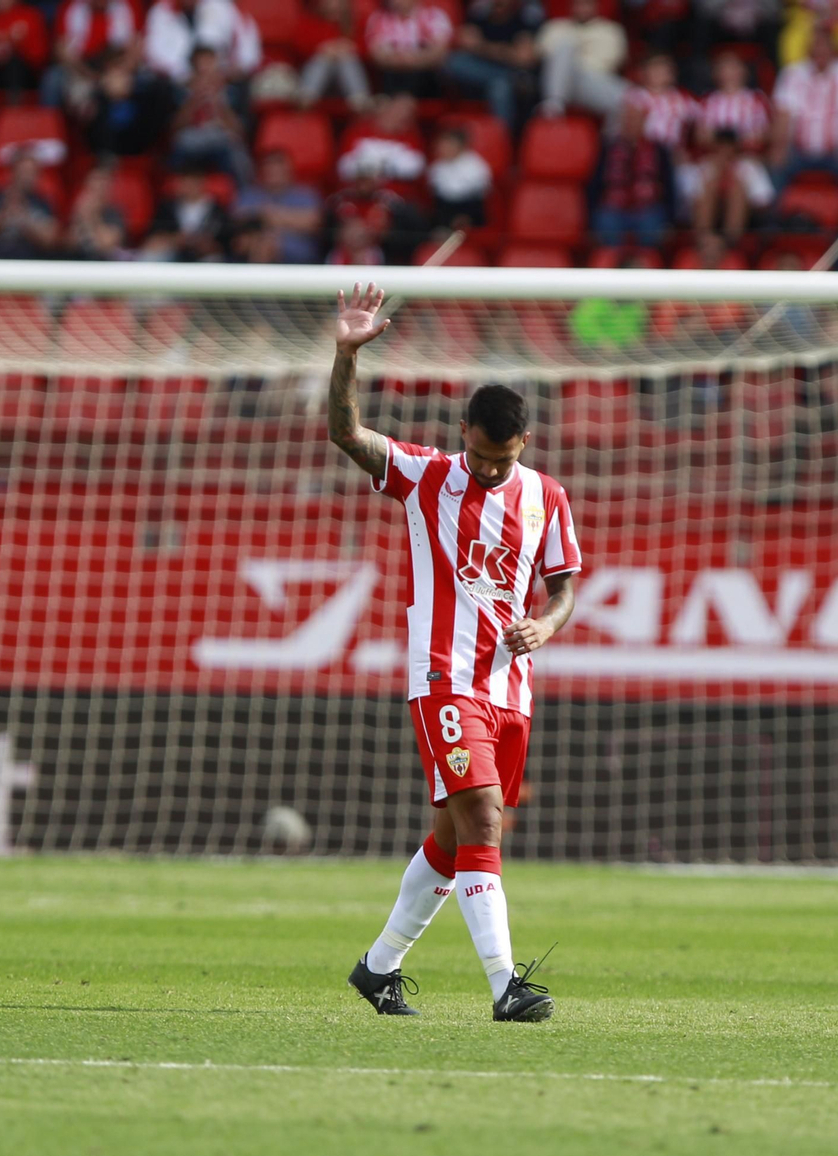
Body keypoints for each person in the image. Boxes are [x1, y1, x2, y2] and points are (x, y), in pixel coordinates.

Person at [331, 283, 581, 1021]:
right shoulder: (427, 475)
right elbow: (347, 433)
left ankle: (378, 970)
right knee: (483, 823)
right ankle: (505, 985)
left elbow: (564, 585)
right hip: (443, 677)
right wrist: (346, 356)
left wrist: (547, 624)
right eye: (481, 454)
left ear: (522, 446)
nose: (492, 470)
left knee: (450, 839)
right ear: (462, 432)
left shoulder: (546, 497)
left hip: (510, 688)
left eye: (503, 460)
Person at [770, 25, 838, 206]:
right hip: (798, 150)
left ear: (835, 49)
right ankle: (773, 227)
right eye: (816, 45)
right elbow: (783, 114)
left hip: (837, 151)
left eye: (825, 45)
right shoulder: (792, 73)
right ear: (808, 48)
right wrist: (780, 145)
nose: (820, 50)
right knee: (775, 162)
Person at [588, 98, 676, 249]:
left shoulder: (658, 150)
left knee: (651, 227)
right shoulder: (608, 148)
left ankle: (644, 266)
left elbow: (669, 185)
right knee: (606, 223)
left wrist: (670, 220)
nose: (631, 124)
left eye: (635, 120)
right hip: (614, 207)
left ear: (644, 122)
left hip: (647, 208)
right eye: (627, 120)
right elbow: (595, 183)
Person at [445, 0, 542, 129]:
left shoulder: (526, 15)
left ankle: (502, 140)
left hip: (514, 75)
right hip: (482, 71)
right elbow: (465, 41)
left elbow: (524, 59)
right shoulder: (479, 11)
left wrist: (482, 47)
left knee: (500, 88)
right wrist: (506, 51)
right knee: (453, 62)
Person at [169, 45, 254, 182]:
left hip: (221, 138)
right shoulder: (180, 91)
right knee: (180, 146)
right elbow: (175, 129)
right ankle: (179, 195)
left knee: (237, 151)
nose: (206, 70)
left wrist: (219, 102)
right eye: (201, 66)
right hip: (191, 138)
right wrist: (194, 100)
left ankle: (243, 195)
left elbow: (240, 131)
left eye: (210, 64)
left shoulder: (233, 92)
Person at [43, 0, 142, 110]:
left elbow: (137, 47)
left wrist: (121, 70)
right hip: (80, 68)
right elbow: (61, 50)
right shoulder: (70, 7)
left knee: (140, 81)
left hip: (116, 66)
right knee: (54, 79)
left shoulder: (128, 5)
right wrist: (88, 74)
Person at [536, 0, 627, 118]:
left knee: (632, 97)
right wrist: (582, 49)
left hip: (595, 82)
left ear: (596, 6)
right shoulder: (555, 27)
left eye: (587, 4)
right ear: (571, 6)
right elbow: (543, 55)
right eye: (579, 4)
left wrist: (577, 53)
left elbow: (614, 61)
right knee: (565, 46)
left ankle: (612, 135)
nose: (583, 8)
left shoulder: (611, 30)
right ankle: (553, 105)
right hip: (560, 80)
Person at [81, 50, 176, 157]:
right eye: (115, 67)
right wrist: (107, 99)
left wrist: (130, 94)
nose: (120, 72)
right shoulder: (97, 99)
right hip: (110, 151)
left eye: (121, 65)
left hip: (142, 147)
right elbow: (94, 136)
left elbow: (155, 126)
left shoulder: (147, 88)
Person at [234, 150, 324, 263]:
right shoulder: (250, 195)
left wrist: (267, 215)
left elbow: (313, 223)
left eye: (278, 169)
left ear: (289, 170)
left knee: (268, 243)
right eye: (269, 169)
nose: (274, 173)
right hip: (253, 249)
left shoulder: (305, 195)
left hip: (298, 253)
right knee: (262, 243)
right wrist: (289, 218)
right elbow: (237, 221)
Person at [0, 149, 60, 258]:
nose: (27, 177)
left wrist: (24, 217)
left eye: (31, 172)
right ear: (12, 172)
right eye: (23, 171)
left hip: (32, 261)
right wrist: (4, 214)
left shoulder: (43, 201)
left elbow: (51, 240)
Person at [364, 0, 455, 98]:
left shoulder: (433, 15)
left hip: (426, 73)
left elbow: (440, 52)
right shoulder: (379, 18)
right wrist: (400, 60)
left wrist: (414, 60)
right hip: (392, 73)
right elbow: (377, 54)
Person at [0, 0, 51, 105]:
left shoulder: (30, 17)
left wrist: (16, 47)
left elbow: (40, 55)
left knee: (14, 64)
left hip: (24, 75)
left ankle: (14, 105)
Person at [296, 0, 372, 108]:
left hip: (346, 76)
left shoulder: (356, 21)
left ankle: (360, 100)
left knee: (347, 59)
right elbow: (300, 46)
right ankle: (306, 97)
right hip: (320, 72)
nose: (333, 5)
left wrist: (350, 48)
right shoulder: (309, 20)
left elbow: (367, 48)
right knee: (322, 59)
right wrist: (323, 49)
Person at [142, 167, 229, 261]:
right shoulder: (167, 207)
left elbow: (226, 242)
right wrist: (175, 239)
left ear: (202, 183)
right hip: (172, 252)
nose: (189, 187)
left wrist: (207, 243)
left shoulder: (217, 210)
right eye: (185, 182)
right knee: (152, 254)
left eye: (193, 183)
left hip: (206, 257)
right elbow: (155, 235)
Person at [428, 125, 493, 228]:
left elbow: (475, 195)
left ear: (460, 146)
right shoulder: (437, 168)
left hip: (469, 209)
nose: (442, 148)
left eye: (448, 144)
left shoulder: (476, 167)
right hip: (444, 210)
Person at [64, 165, 131, 258]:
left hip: (105, 265)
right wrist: (78, 217)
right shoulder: (78, 211)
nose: (98, 192)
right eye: (94, 188)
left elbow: (106, 246)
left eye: (102, 187)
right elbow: (67, 244)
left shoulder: (114, 213)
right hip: (78, 263)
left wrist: (92, 218)